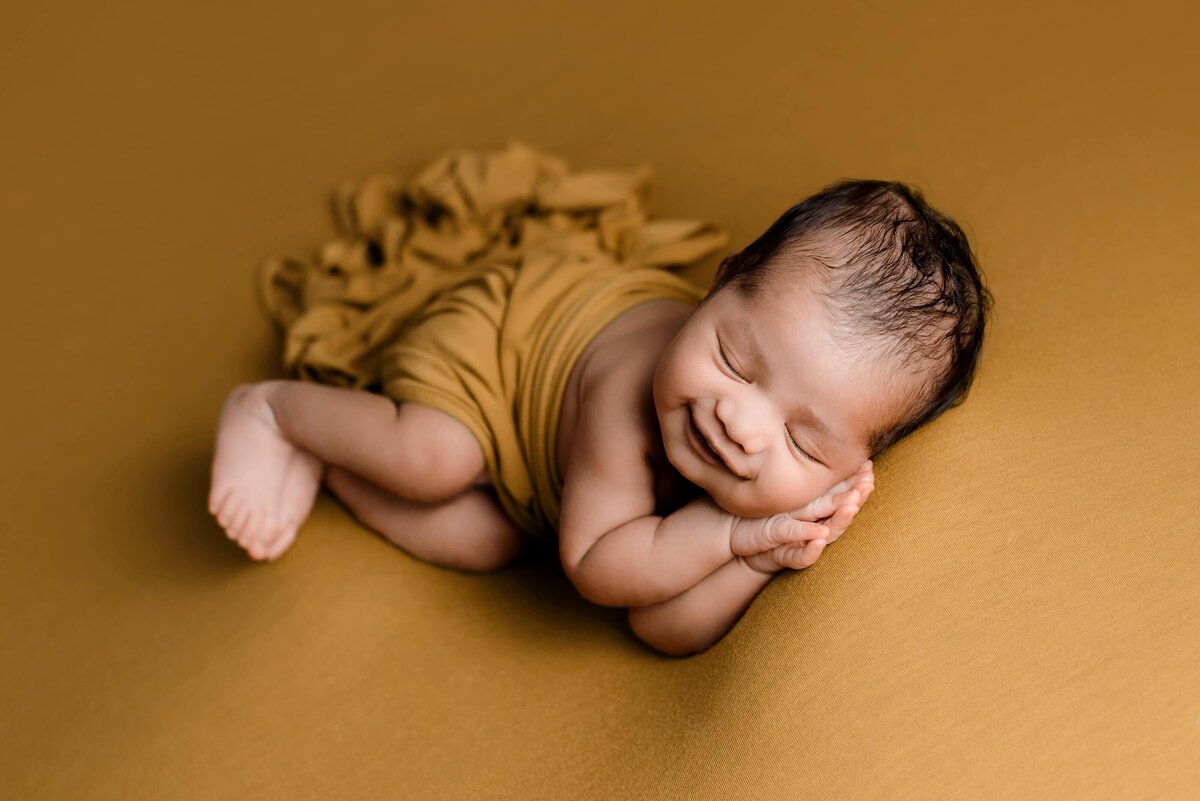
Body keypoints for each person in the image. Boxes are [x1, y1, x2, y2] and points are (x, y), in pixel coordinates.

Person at [208, 173, 993, 657]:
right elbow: (595, 568)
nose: (738, 424)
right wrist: (733, 534)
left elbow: (661, 628)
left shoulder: (760, 470)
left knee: (486, 542)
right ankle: (275, 412)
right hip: (508, 342)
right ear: (721, 284)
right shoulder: (627, 401)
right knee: (436, 458)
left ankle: (331, 461)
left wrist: (760, 559)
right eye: (734, 358)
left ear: (853, 469)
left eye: (799, 438)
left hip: (563, 487)